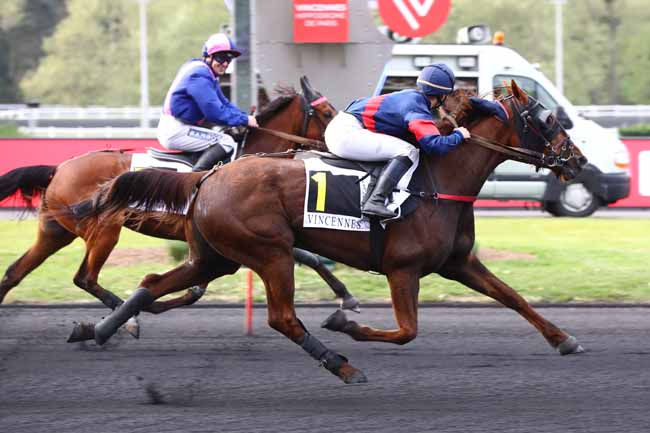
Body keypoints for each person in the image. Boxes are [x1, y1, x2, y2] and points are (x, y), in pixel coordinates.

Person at [324, 63, 471, 219]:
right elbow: (434, 146)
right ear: (442, 95)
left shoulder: (410, 96)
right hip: (347, 133)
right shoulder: (417, 106)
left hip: (342, 126)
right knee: (408, 151)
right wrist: (458, 135)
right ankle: (376, 201)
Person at [157, 33, 259, 172]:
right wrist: (244, 120)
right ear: (208, 56)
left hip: (181, 127)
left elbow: (225, 104)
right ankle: (194, 181)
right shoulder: (200, 75)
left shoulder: (206, 73)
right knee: (226, 142)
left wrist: (245, 117)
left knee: (225, 138)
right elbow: (215, 112)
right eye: (221, 57)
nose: (225, 64)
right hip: (176, 130)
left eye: (228, 60)